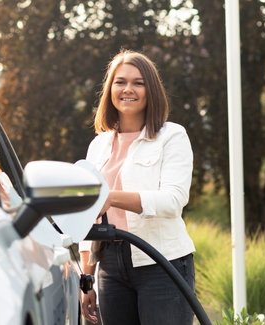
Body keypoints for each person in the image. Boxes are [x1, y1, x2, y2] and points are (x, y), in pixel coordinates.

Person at [79, 49, 196, 325]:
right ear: (110, 90)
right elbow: (87, 216)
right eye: (120, 82)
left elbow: (173, 200)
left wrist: (111, 197)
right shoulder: (99, 146)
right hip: (110, 267)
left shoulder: (171, 136)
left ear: (150, 90)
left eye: (138, 83)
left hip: (161, 264)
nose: (127, 89)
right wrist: (87, 279)